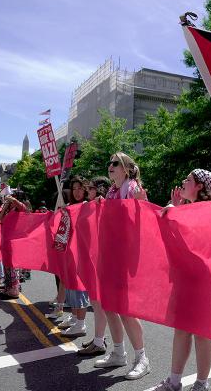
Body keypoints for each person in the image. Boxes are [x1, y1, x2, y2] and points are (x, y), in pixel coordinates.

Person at [154, 168, 211, 391]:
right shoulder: (185, 208)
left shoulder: (210, 210)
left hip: (203, 280)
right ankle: (174, 381)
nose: (183, 182)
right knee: (181, 330)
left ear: (200, 187)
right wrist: (173, 211)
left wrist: (175, 212)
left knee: (202, 334)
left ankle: (201, 384)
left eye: (188, 179)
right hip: (183, 278)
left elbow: (200, 244)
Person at [94, 152, 151, 380]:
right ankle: (118, 353)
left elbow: (144, 218)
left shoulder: (133, 188)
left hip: (125, 256)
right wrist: (101, 205)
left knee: (126, 309)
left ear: (126, 169)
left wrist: (142, 203)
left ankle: (142, 358)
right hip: (110, 254)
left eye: (115, 163)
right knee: (109, 304)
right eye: (109, 163)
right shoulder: (111, 192)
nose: (110, 166)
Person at [78, 175, 112, 356]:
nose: (87, 190)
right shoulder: (90, 206)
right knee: (96, 303)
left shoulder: (104, 206)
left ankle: (99, 342)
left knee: (99, 304)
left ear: (100, 190)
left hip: (100, 260)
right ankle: (99, 338)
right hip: (92, 260)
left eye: (91, 188)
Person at [57, 176, 91, 337]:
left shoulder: (88, 206)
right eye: (74, 188)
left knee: (80, 288)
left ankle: (81, 323)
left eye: (80, 188)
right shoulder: (70, 207)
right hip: (69, 253)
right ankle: (75, 317)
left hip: (82, 253)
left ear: (85, 189)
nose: (77, 192)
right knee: (71, 286)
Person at [0, 190, 31, 299]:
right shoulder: (10, 208)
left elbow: (25, 209)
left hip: (15, 241)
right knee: (7, 265)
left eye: (13, 196)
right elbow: (0, 219)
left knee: (12, 266)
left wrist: (13, 200)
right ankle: (9, 288)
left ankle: (13, 290)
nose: (10, 198)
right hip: (6, 239)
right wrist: (6, 205)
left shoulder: (21, 207)